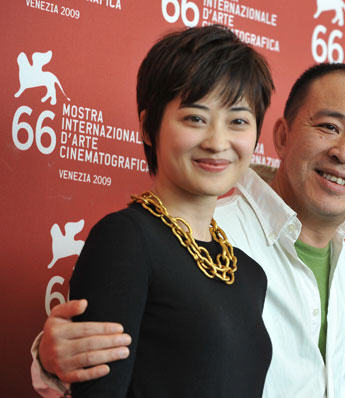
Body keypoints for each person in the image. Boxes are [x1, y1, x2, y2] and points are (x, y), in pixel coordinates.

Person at [32, 63, 345, 397]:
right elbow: (108, 358)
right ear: (280, 135)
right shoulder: (203, 233)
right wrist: (49, 360)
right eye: (329, 126)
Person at [36, 25, 275, 397]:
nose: (217, 142)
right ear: (149, 128)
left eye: (238, 121)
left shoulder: (248, 272)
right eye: (195, 118)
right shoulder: (126, 241)